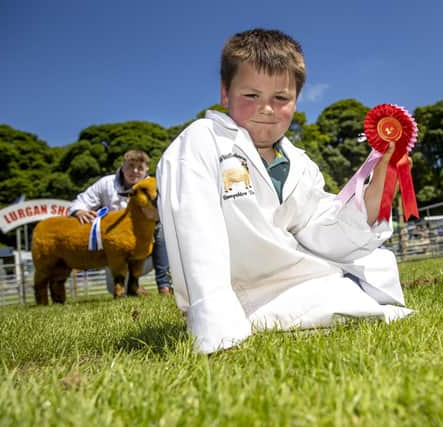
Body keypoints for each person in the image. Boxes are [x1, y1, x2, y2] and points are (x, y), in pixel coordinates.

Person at [157, 28, 413, 354]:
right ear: (225, 93)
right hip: (243, 292)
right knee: (355, 306)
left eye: (280, 98)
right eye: (251, 96)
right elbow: (196, 232)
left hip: (297, 278)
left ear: (295, 101)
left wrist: (382, 176)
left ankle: (347, 297)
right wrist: (218, 331)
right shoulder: (201, 142)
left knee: (375, 266)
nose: (266, 109)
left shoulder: (300, 163)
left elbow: (320, 227)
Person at [70, 149, 172, 295]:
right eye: (130, 166)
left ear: (146, 170)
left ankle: (164, 285)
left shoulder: (153, 185)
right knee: (114, 288)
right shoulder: (106, 184)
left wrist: (157, 215)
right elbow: (81, 201)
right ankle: (133, 287)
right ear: (122, 166)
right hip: (116, 250)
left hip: (146, 250)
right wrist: (79, 211)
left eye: (140, 168)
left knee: (161, 229)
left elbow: (169, 210)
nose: (135, 171)